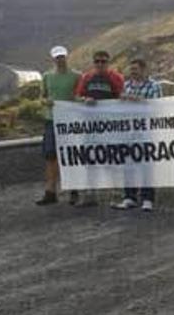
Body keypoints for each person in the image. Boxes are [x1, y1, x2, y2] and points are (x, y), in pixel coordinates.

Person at [73, 50, 125, 207]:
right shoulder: (86, 77)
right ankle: (90, 194)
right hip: (90, 126)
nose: (100, 64)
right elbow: (76, 96)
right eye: (97, 61)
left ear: (108, 62)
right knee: (90, 158)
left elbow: (122, 97)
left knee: (113, 159)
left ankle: (116, 193)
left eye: (103, 61)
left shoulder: (116, 77)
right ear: (93, 63)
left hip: (110, 125)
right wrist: (84, 99)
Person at [112, 58, 162, 212]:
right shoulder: (125, 86)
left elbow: (156, 105)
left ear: (143, 69)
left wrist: (134, 100)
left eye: (136, 69)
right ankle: (129, 197)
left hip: (146, 131)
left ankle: (147, 198)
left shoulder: (154, 86)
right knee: (128, 165)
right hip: (128, 131)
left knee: (146, 166)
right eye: (131, 69)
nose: (133, 72)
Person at [35, 46, 81, 206]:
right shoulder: (47, 76)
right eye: (57, 57)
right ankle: (50, 192)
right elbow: (42, 96)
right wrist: (45, 102)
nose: (60, 59)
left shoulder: (77, 76)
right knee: (50, 156)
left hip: (70, 120)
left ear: (66, 57)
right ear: (53, 59)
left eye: (62, 56)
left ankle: (74, 190)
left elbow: (79, 95)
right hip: (51, 119)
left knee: (72, 155)